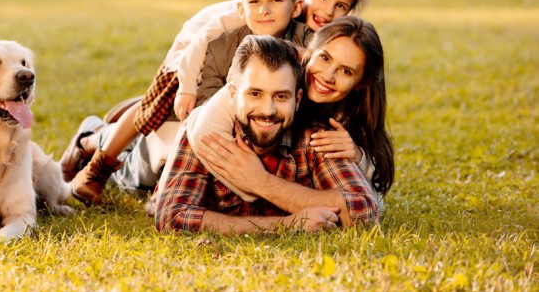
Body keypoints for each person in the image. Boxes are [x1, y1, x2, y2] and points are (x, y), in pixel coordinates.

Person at [61, 0, 369, 205]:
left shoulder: (319, 40)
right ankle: (95, 146)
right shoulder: (242, 17)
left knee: (159, 133)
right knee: (150, 121)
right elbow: (202, 41)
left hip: (233, 101)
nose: (329, 11)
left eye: (340, 5)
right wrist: (186, 88)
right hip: (188, 63)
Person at [155, 34, 381, 234]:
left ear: (298, 99)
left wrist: (261, 182)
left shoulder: (318, 138)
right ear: (233, 94)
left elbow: (364, 213)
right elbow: (172, 217)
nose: (268, 111)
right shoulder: (206, 130)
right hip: (159, 139)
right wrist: (286, 225)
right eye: (255, 94)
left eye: (281, 96)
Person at [180, 16, 394, 205]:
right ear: (309, 50)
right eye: (325, 58)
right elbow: (203, 133)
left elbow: (371, 204)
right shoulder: (274, 71)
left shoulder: (350, 115)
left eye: (346, 71)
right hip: (185, 117)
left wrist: (359, 157)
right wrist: (255, 187)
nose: (327, 76)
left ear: (360, 83)